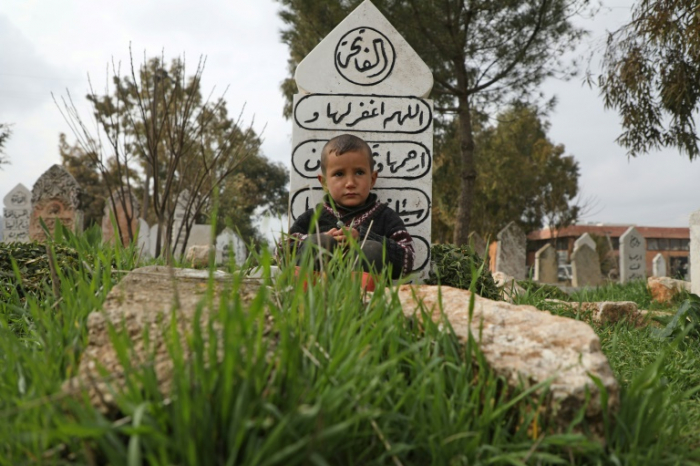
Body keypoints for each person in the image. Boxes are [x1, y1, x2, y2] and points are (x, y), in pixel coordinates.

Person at [284, 134, 415, 279]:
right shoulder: (313, 216)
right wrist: (317, 239)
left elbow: (408, 260)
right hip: (315, 297)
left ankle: (363, 299)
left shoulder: (386, 216)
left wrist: (363, 237)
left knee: (371, 249)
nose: (350, 183)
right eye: (339, 174)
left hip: (366, 297)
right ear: (324, 183)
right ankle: (308, 299)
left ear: (372, 179)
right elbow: (282, 252)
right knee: (318, 243)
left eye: (359, 172)